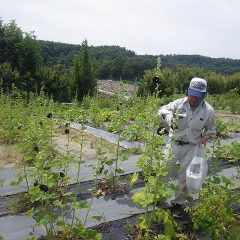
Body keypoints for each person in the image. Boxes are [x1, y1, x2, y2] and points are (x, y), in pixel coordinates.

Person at [158, 77, 216, 205]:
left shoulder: (208, 111)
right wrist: (168, 117)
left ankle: (178, 203)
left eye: (198, 96)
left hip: (191, 147)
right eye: (192, 95)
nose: (194, 99)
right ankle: (157, 197)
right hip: (173, 143)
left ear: (204, 95)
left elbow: (212, 130)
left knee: (184, 177)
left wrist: (205, 138)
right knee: (163, 170)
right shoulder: (179, 104)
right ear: (188, 91)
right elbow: (161, 110)